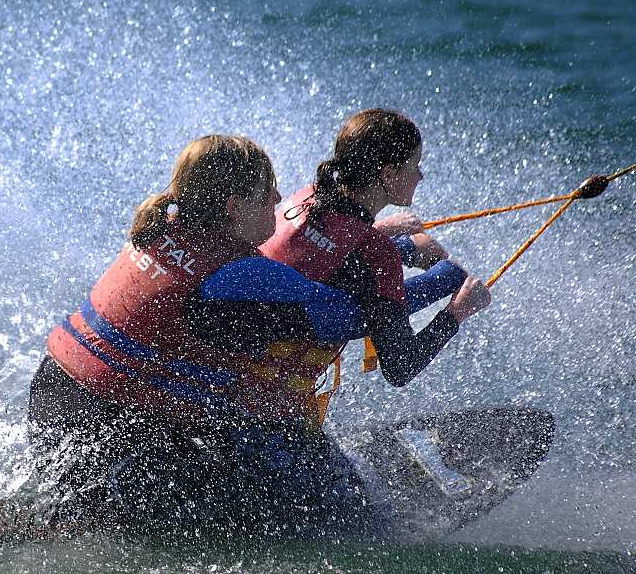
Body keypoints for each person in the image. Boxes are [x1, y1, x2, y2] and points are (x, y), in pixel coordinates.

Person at [26, 132, 474, 537]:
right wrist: (445, 279)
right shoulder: (240, 273)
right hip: (116, 426)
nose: (279, 198)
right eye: (267, 195)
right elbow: (353, 315)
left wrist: (383, 243)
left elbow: (293, 275)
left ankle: (55, 521)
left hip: (54, 393)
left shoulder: (168, 222)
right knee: (339, 522)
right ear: (233, 209)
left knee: (86, 505)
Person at [260, 108, 491, 396]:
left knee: (400, 268)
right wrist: (459, 311)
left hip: (254, 343)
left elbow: (330, 256)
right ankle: (452, 277)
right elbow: (400, 367)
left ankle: (434, 264)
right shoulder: (378, 256)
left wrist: (386, 234)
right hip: (272, 398)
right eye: (414, 165)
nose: (421, 175)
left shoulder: (306, 197)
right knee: (447, 276)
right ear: (389, 174)